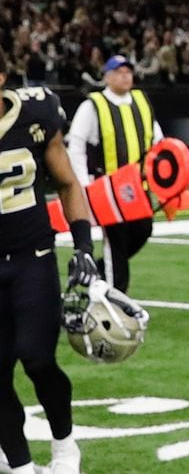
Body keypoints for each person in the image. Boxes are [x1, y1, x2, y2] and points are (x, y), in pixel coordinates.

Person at [0, 72, 100, 474]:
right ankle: (20, 464)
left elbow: (67, 182)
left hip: (32, 255)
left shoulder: (35, 113)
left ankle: (64, 446)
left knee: (37, 358)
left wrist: (84, 246)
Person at [64, 54, 161, 292]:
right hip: (109, 189)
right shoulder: (93, 105)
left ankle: (99, 270)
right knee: (116, 242)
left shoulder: (141, 102)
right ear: (107, 77)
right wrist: (84, 185)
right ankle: (116, 295)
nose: (125, 76)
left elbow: (158, 140)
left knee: (143, 230)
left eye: (128, 71)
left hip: (138, 187)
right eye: (119, 72)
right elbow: (76, 144)